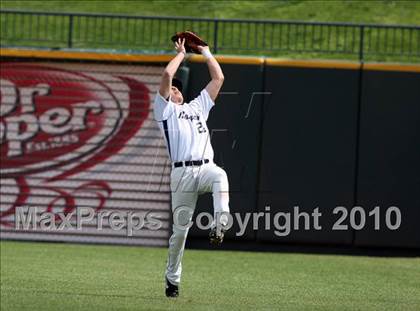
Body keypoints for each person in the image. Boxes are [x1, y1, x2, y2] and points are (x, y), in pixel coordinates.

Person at [153, 38, 230, 298]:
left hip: (205, 168)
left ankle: (220, 223)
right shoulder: (164, 111)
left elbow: (218, 78)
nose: (174, 90)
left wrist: (207, 52)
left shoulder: (197, 107)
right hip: (182, 174)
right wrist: (182, 54)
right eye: (171, 89)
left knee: (220, 175)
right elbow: (166, 74)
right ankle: (172, 280)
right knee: (180, 233)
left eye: (177, 89)